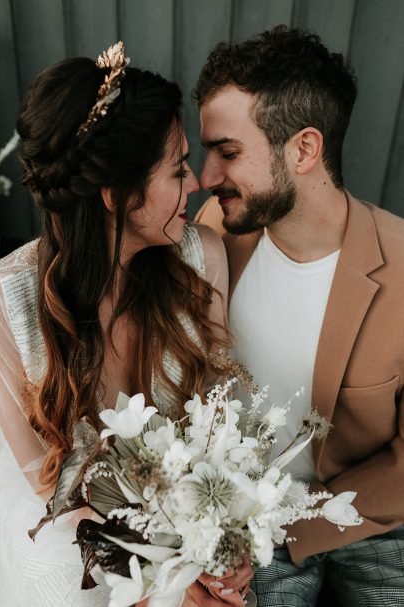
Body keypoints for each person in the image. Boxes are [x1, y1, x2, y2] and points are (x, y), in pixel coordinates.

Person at [0, 42, 252, 606]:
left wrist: (218, 551)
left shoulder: (201, 259)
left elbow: (220, 424)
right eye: (176, 168)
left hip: (186, 515)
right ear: (114, 195)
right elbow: (53, 488)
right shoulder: (6, 305)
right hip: (76, 531)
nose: (197, 184)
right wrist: (167, 583)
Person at [194, 25, 404, 606]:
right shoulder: (215, 233)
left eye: (228, 152)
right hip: (244, 520)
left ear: (304, 149)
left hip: (375, 520)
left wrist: (301, 528)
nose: (206, 178)